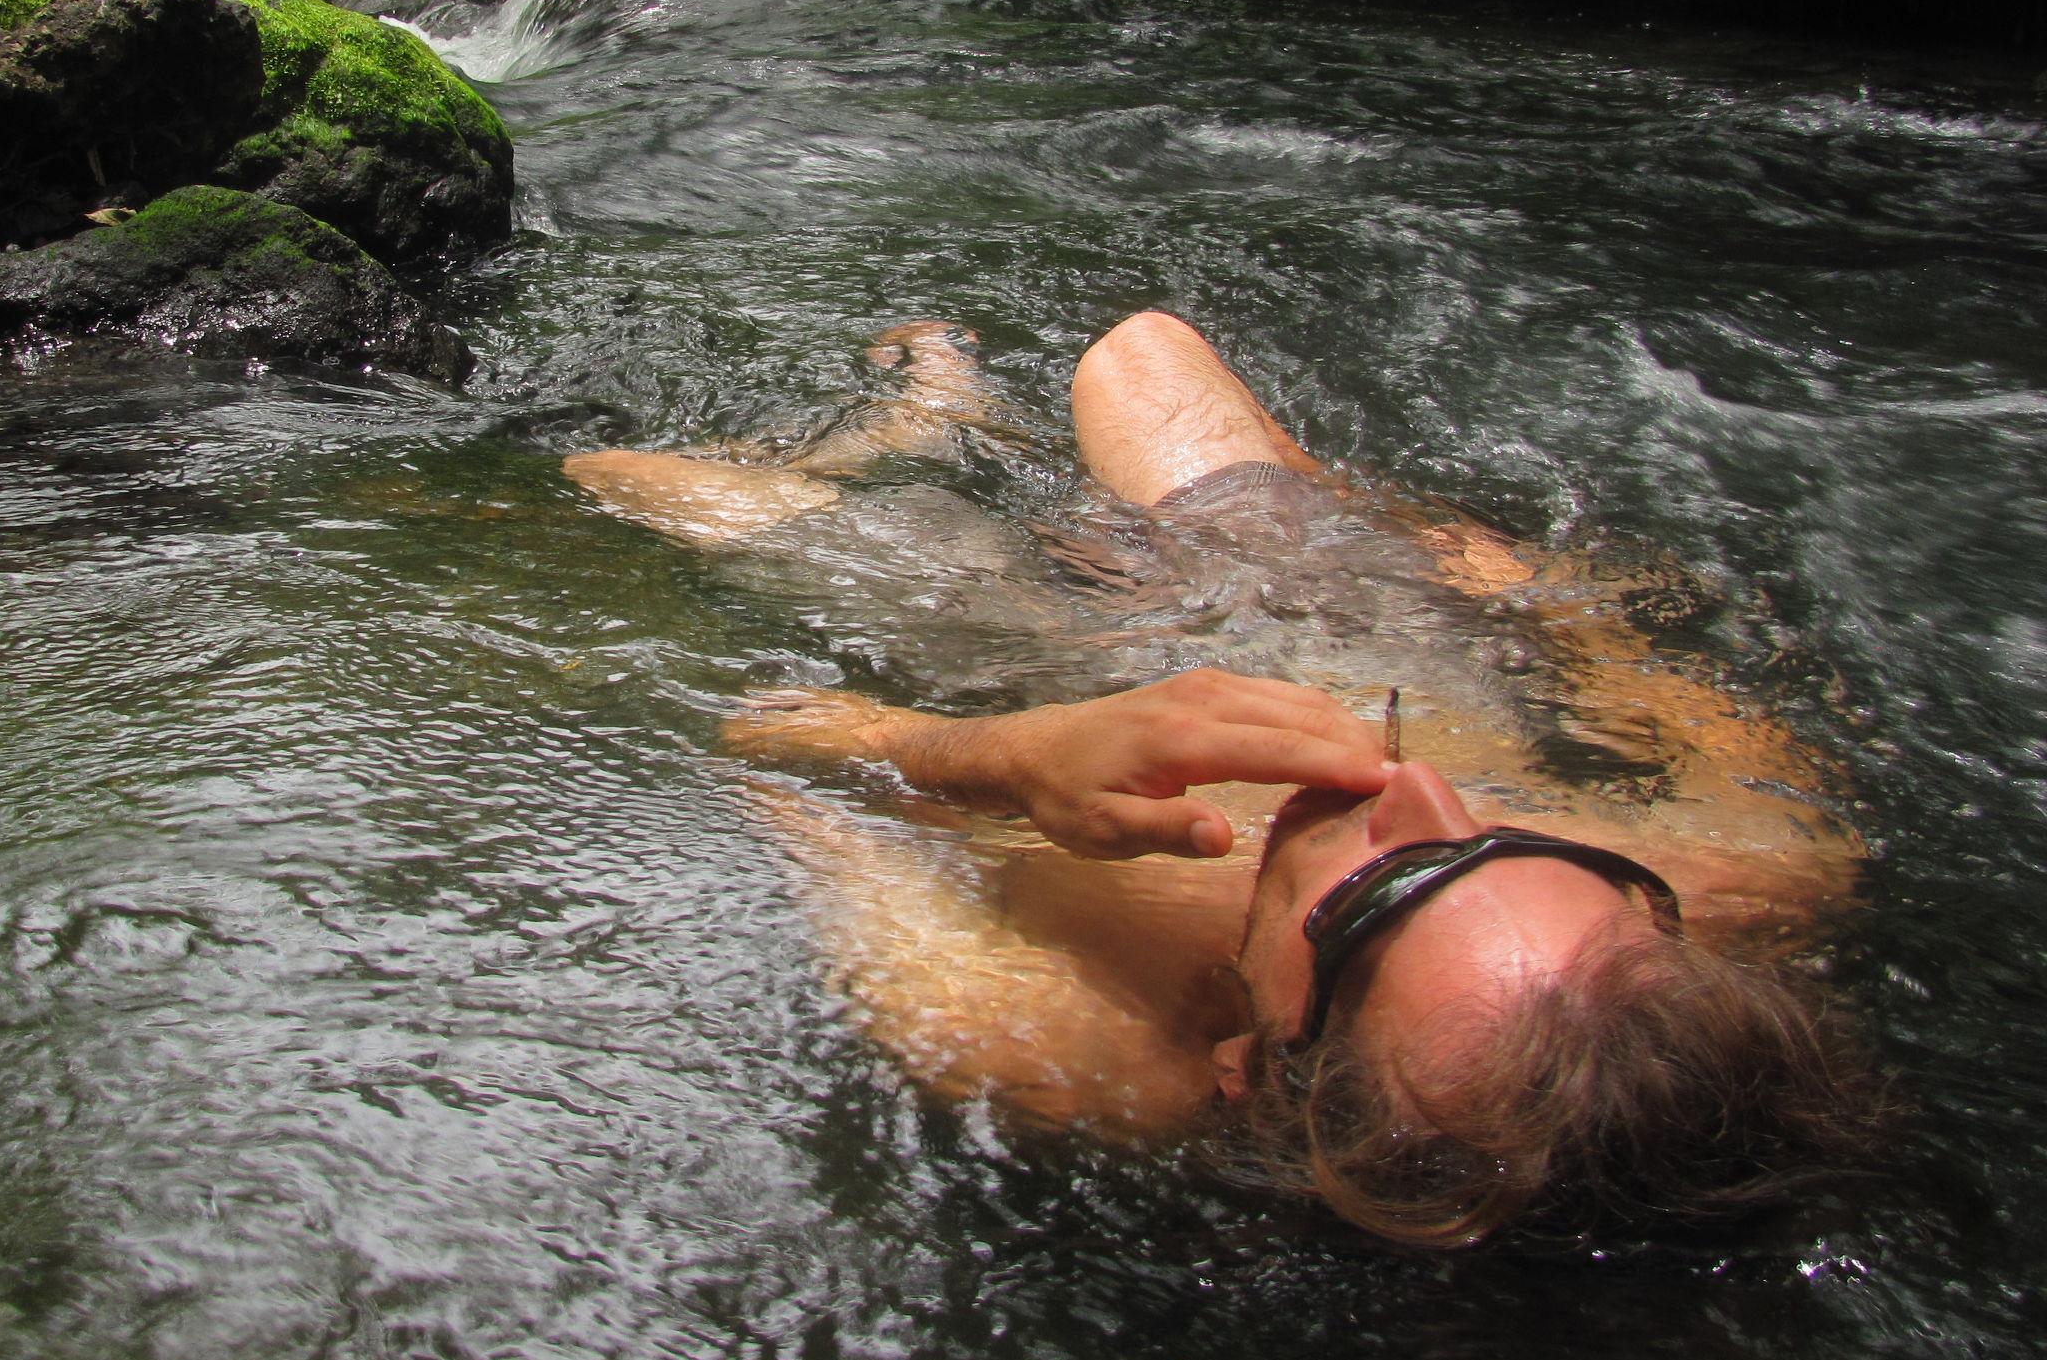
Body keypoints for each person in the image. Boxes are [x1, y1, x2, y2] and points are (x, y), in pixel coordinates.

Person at [565, 311, 1884, 1247]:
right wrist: (1516, 596)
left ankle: (886, 443)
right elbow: (1690, 716)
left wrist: (1000, 754)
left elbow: (760, 749)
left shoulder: (1041, 1040)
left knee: (616, 477)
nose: (1420, 796)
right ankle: (969, 421)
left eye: (1381, 898)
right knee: (1143, 353)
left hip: (1036, 676)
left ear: (1257, 1062)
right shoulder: (1755, 873)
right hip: (1354, 635)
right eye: (1542, 850)